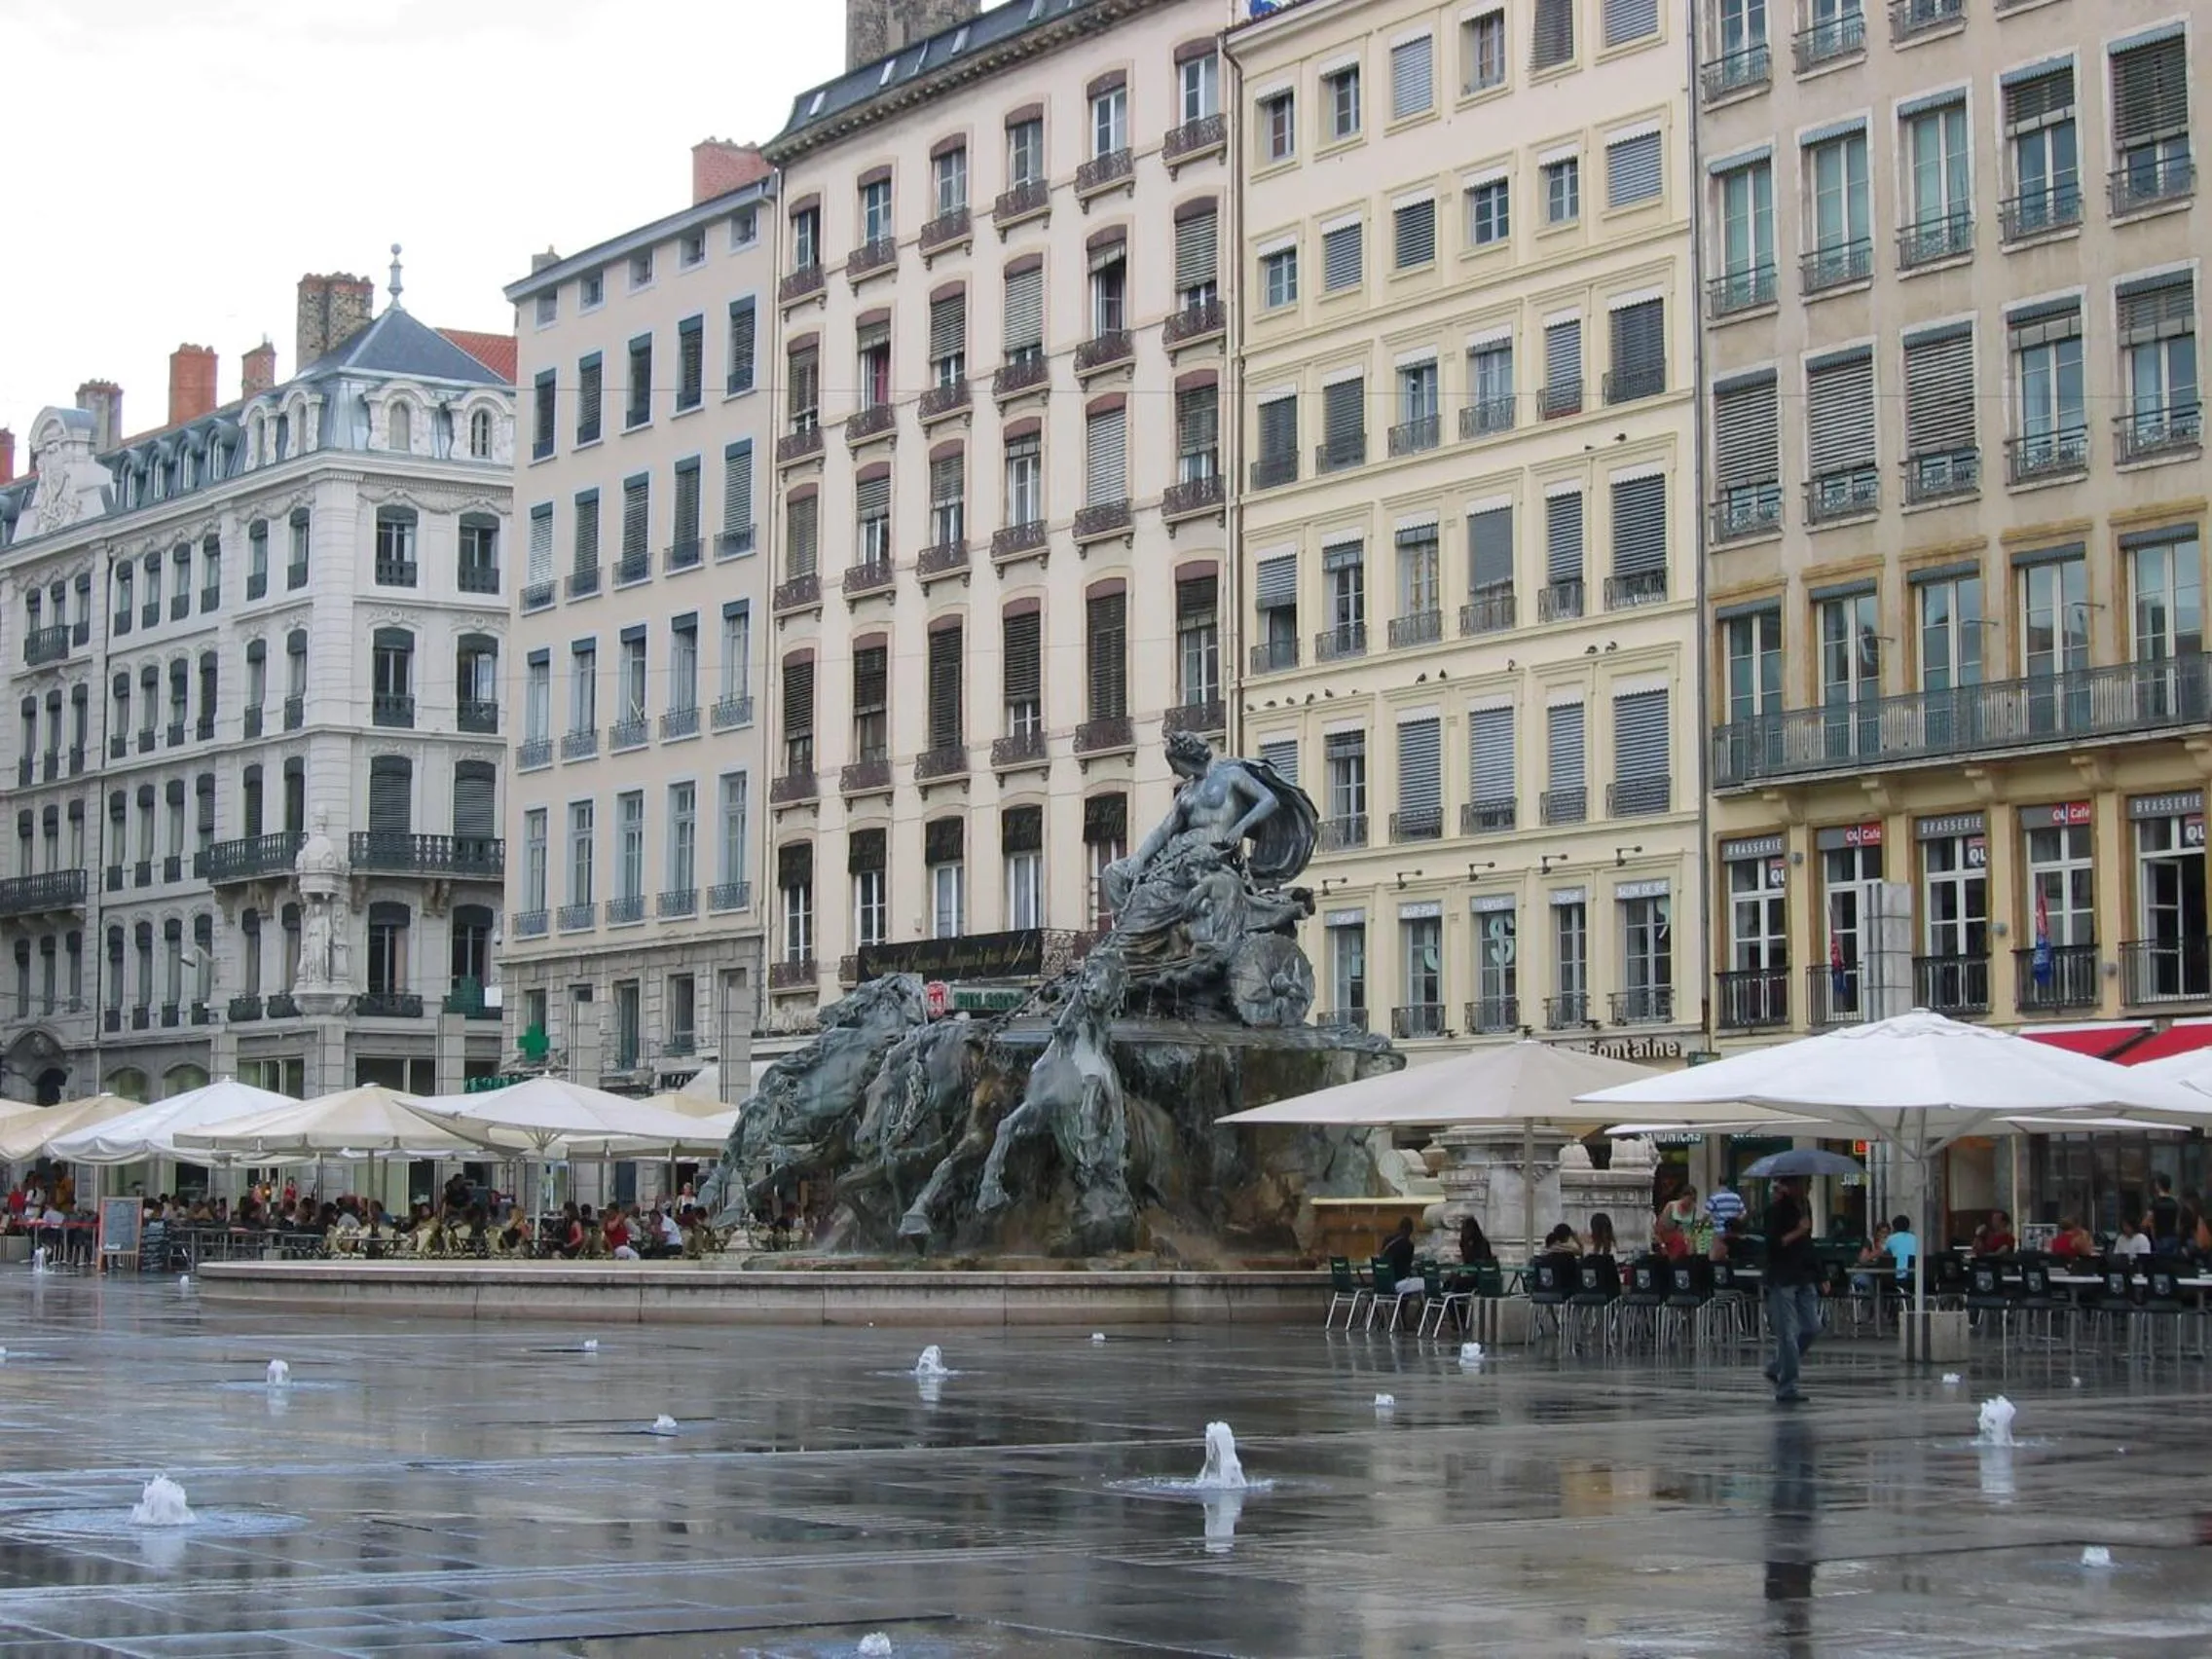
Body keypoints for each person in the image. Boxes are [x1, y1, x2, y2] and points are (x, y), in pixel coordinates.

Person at [1762, 1174, 1820, 1404]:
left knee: (1812, 1327)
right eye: (1805, 1184)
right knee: (1787, 1332)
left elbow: (1807, 1245)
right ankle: (1788, 1386)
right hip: (1782, 1277)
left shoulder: (1804, 1209)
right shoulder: (1775, 1211)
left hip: (1803, 1275)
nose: (1808, 1189)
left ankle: (1777, 1366)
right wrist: (1798, 1231)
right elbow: (1773, 1245)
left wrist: (1819, 1273)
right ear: (1790, 1186)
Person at [1380, 1217, 1421, 1294]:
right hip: (1397, 1282)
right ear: (1410, 1230)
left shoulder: (1387, 1240)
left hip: (1382, 1282)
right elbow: (1407, 1267)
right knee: (1419, 1282)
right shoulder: (1408, 1245)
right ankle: (1402, 1305)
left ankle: (1399, 1305)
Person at [2148, 1173, 2183, 1253]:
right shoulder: (2175, 1203)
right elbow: (2178, 1223)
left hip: (2160, 1238)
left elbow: (2150, 1222)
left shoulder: (2155, 1203)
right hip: (2173, 1237)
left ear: (2158, 1185)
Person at [1883, 1214, 1917, 1282]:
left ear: (1894, 1227)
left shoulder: (1891, 1239)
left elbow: (1883, 1254)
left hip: (1897, 1276)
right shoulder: (1915, 1238)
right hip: (1914, 1275)